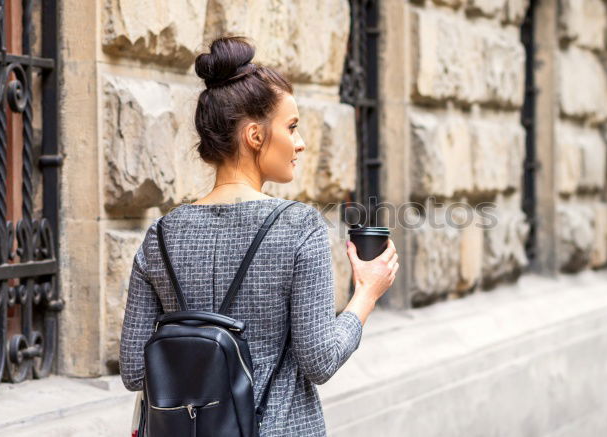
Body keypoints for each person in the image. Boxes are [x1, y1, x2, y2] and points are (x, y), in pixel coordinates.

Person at [119, 35, 399, 436]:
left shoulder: (161, 235)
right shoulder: (299, 227)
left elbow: (133, 371)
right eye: (292, 127)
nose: (300, 144)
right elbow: (319, 360)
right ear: (254, 136)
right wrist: (366, 294)